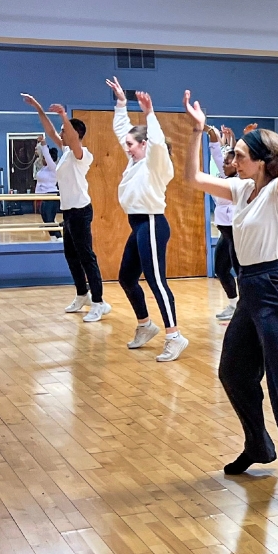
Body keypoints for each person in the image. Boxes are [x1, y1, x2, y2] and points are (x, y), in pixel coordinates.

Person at [182, 91, 278, 513]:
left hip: (277, 291)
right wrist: (196, 130)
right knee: (233, 371)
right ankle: (259, 445)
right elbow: (193, 179)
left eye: (242, 155)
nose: (234, 160)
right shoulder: (242, 189)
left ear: (264, 161)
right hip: (251, 291)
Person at [105, 77, 187, 362]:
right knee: (126, 277)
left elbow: (157, 143)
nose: (126, 147)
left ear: (144, 144)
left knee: (156, 280)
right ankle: (144, 325)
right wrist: (121, 103)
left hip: (152, 223)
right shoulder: (135, 160)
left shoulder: (156, 162)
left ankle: (175, 336)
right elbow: (120, 129)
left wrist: (150, 113)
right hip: (137, 225)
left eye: (131, 143)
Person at [23, 94, 109, 323]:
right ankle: (82, 294)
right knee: (71, 256)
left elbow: (69, 135)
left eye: (66, 130)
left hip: (81, 211)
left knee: (86, 257)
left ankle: (99, 302)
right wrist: (39, 108)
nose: (61, 134)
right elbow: (51, 131)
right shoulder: (66, 154)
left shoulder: (82, 154)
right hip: (69, 211)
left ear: (76, 134)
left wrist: (63, 115)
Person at [210, 125, 240, 321]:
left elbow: (219, 152)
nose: (224, 165)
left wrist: (212, 134)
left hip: (238, 231)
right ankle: (234, 303)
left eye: (228, 162)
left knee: (242, 271)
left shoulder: (239, 181)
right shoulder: (222, 177)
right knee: (220, 268)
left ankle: (248, 307)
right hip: (225, 231)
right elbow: (217, 152)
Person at [32, 136, 62, 240]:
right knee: (45, 219)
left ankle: (59, 237)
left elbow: (47, 156)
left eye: (44, 158)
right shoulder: (43, 169)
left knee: (49, 219)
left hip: (51, 195)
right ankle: (53, 237)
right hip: (43, 197)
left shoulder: (53, 167)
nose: (43, 159)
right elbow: (40, 156)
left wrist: (44, 143)